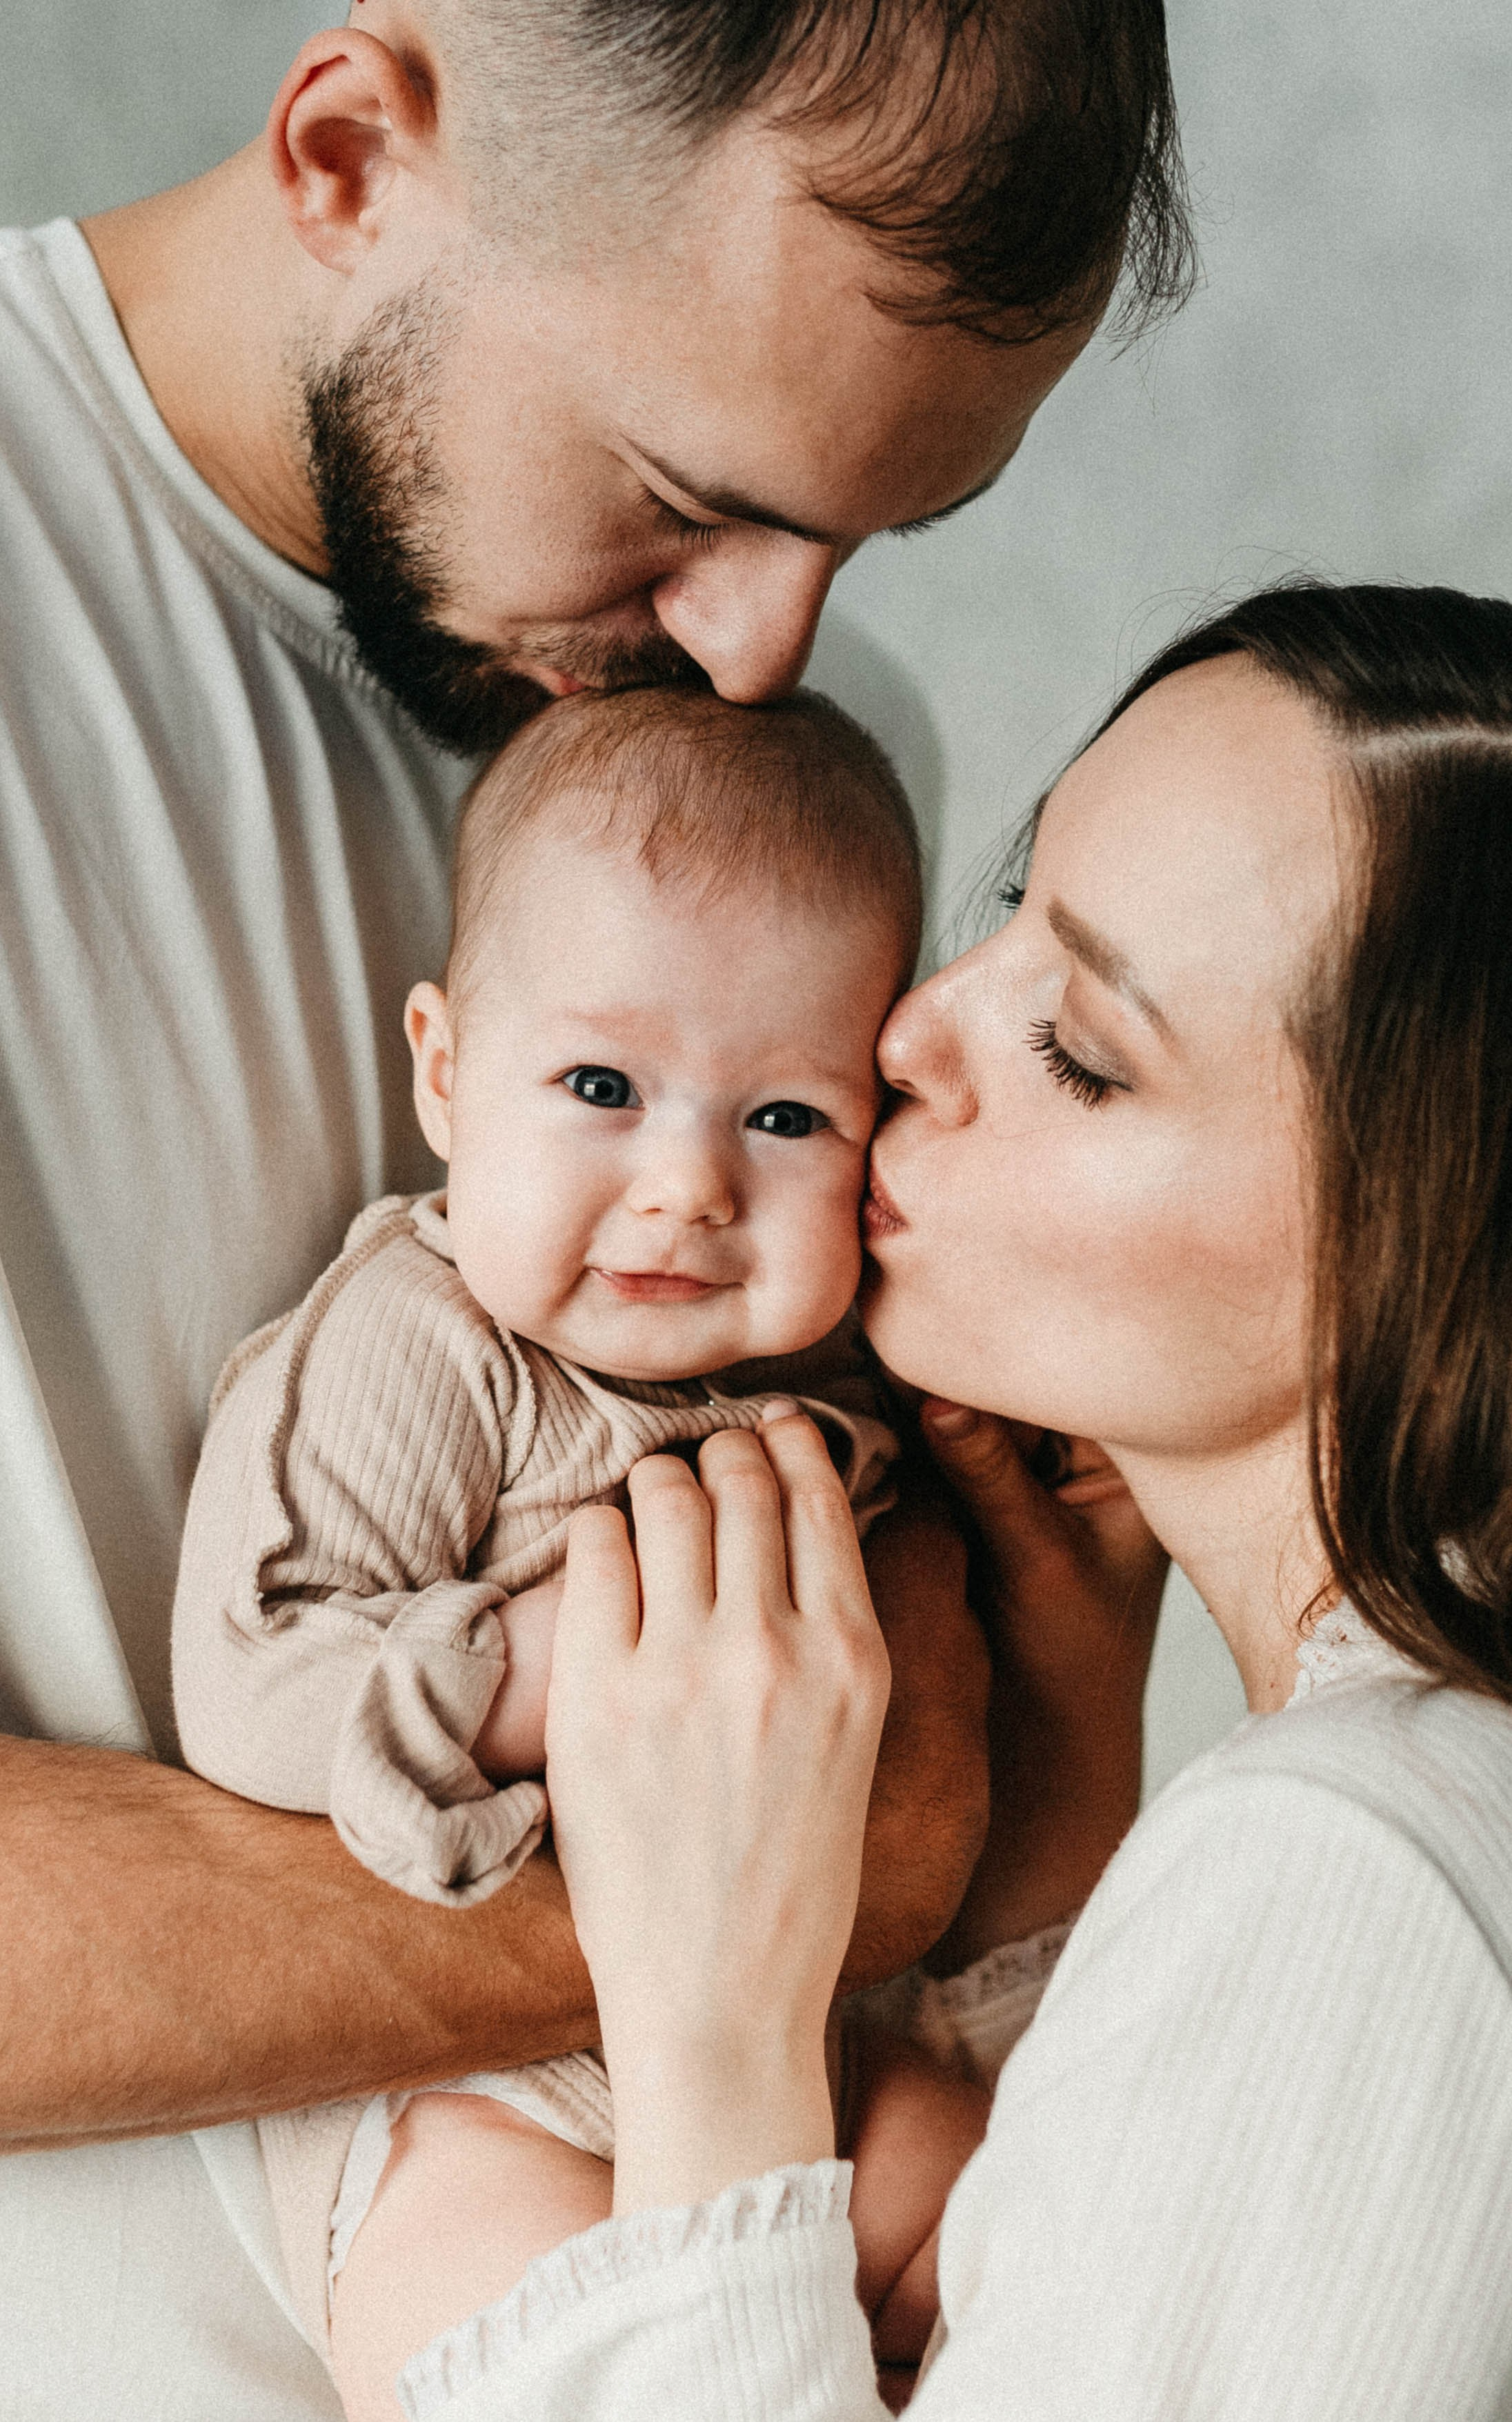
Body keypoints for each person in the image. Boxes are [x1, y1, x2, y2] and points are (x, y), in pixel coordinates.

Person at [0, 3, 1193, 2410]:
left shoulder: (771, 795)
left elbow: (911, 1688)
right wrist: (738, 1890)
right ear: (348, 151)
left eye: (865, 534)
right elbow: (870, 1818)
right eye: (685, 488)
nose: (765, 647)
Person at [388, 581, 1512, 2420]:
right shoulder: (1370, 1814)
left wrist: (724, 2054)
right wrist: (1065, 1807)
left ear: (1419, 1246)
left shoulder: (1360, 1863)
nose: (909, 1032)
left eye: (1080, 1047)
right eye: (1003, 917)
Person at [170, 685, 995, 2405]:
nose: (688, 1183)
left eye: (785, 1117)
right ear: (450, 1075)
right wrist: (554, 1677)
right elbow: (253, 1684)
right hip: (480, 2079)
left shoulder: (831, 1368)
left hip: (808, 2036)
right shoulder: (427, 1342)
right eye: (602, 1085)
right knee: (528, 2304)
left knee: (1010, 2190)